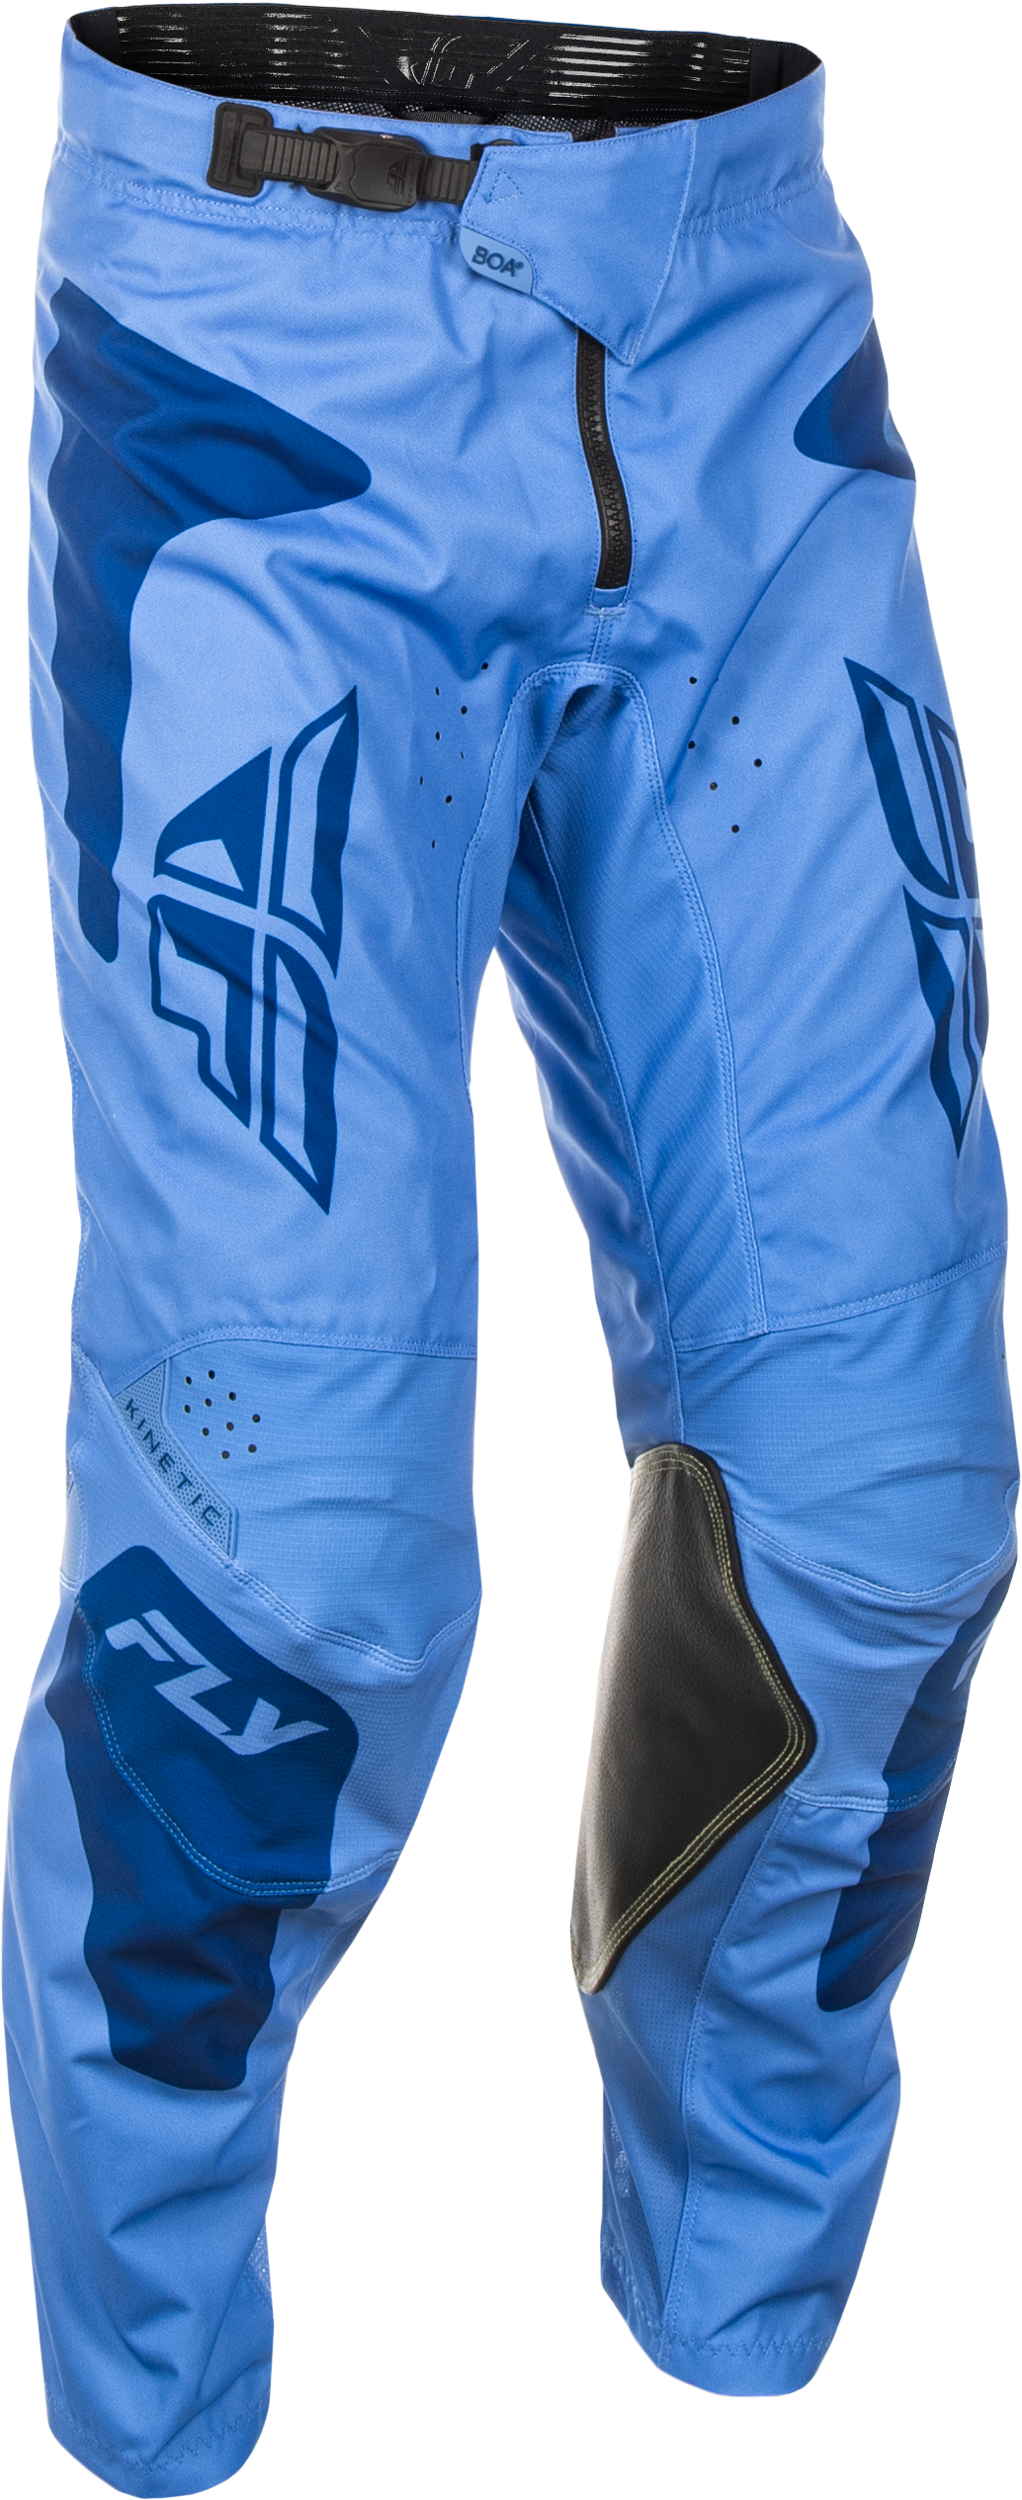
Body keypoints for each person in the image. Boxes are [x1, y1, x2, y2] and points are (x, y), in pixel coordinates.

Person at [4, 10, 1012, 2495]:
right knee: (279, 1573)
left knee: (877, 1508)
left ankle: (729, 2369)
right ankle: (141, 2429)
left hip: (739, 321)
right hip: (264, 356)